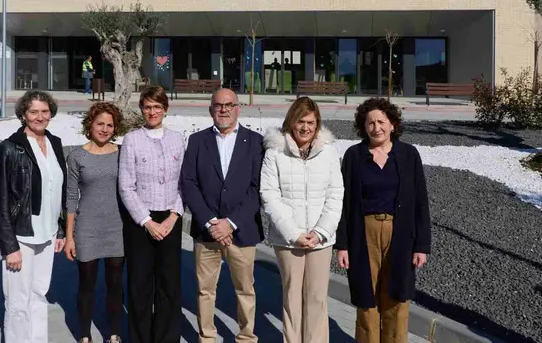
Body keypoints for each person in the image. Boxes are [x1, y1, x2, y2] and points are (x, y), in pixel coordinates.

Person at [335, 98, 432, 343]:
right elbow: (343, 203)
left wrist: (422, 245)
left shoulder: (408, 154)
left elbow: (421, 201)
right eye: (370, 122)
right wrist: (343, 244)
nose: (376, 127)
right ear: (363, 126)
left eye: (381, 121)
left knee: (397, 297)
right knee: (366, 298)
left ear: (392, 124)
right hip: (364, 232)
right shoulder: (354, 155)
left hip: (400, 232)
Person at [180, 88, 265, 343]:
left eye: (229, 105)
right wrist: (211, 222)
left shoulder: (255, 142)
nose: (224, 110)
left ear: (239, 108)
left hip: (242, 230)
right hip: (207, 231)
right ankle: (207, 337)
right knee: (205, 290)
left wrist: (231, 223)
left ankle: (246, 337)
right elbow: (188, 183)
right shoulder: (197, 140)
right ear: (210, 110)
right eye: (218, 105)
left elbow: (257, 188)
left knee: (245, 290)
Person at [259, 97, 344, 343]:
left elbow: (335, 194)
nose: (305, 127)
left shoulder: (328, 152)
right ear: (291, 122)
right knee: (292, 297)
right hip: (288, 240)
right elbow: (269, 195)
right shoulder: (275, 152)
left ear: (317, 126)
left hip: (320, 239)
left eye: (311, 122)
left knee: (317, 298)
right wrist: (294, 233)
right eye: (300, 121)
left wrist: (321, 232)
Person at [0, 90, 67, 343]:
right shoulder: (8, 149)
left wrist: (62, 230)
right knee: (18, 302)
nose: (40, 117)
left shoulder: (54, 143)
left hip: (48, 234)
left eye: (45, 111)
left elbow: (60, 190)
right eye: (34, 111)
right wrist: (9, 246)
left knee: (39, 294)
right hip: (21, 235)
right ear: (23, 114)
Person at [119, 86, 185, 343]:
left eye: (157, 107)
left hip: (170, 219)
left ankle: (167, 337)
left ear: (165, 109)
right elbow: (126, 185)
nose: (152, 112)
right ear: (142, 110)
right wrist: (146, 221)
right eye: (147, 107)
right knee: (140, 284)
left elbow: (184, 183)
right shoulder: (132, 140)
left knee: (169, 283)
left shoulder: (177, 139)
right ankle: (140, 337)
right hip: (140, 222)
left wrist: (173, 216)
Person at [64, 102, 127, 343]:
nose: (105, 129)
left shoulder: (122, 153)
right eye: (100, 123)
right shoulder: (76, 156)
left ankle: (114, 333)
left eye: (110, 125)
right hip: (87, 229)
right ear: (90, 124)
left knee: (114, 284)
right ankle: (84, 335)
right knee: (87, 285)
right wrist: (69, 237)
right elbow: (71, 197)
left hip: (117, 228)